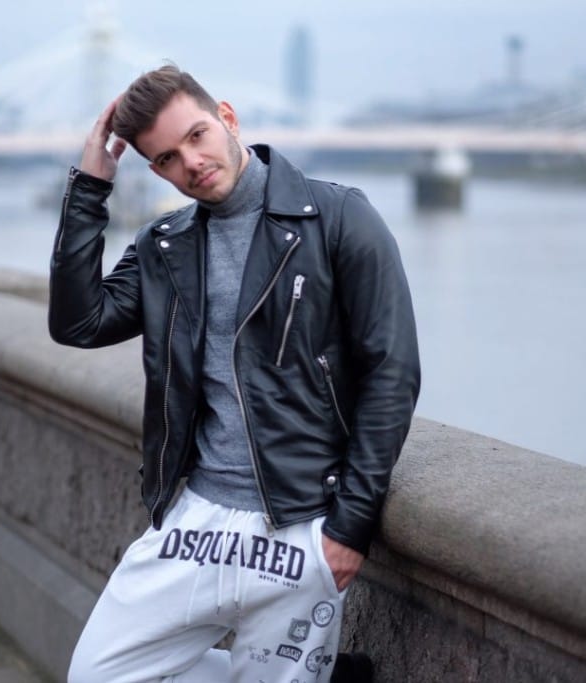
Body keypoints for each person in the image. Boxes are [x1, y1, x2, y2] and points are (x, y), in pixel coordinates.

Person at [49, 64, 420, 683]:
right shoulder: (164, 245)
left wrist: (349, 529)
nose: (191, 163)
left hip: (300, 521)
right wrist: (90, 187)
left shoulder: (339, 217)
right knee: (96, 675)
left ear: (227, 117)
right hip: (194, 518)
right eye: (167, 158)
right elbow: (79, 323)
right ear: (156, 171)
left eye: (196, 135)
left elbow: (392, 372)